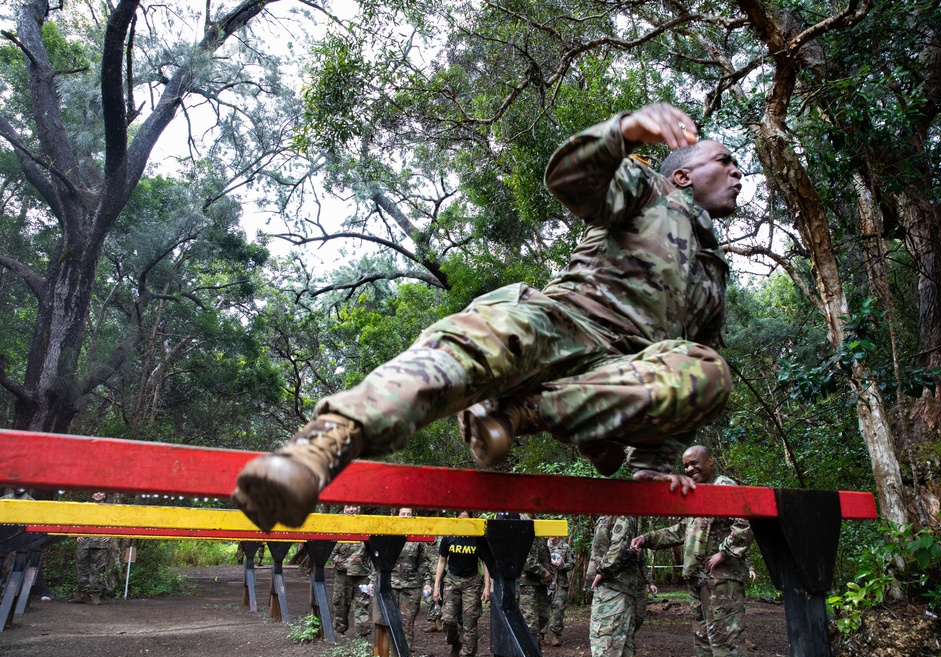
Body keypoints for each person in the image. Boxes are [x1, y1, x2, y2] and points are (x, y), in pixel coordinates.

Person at [232, 102, 741, 533]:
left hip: (614, 377)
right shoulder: (649, 189)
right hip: (564, 321)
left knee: (712, 372)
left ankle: (516, 415)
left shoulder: (715, 273)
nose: (738, 173)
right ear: (682, 174)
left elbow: (688, 374)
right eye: (725, 160)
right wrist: (624, 130)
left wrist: (653, 466)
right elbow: (569, 179)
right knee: (485, 339)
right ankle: (317, 450)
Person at [630, 445, 754, 657]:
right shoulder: (698, 492)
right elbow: (681, 530)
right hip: (698, 581)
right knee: (704, 642)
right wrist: (646, 538)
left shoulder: (723, 486)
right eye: (686, 465)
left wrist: (723, 553)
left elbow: (744, 524)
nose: (689, 469)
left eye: (695, 463)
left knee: (727, 643)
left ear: (710, 462)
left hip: (721, 582)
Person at [433, 511, 491, 657]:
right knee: (447, 619)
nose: (463, 523)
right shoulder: (449, 536)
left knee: (469, 621)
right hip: (452, 580)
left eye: (466, 520)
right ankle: (455, 644)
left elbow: (485, 562)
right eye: (460, 520)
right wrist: (436, 586)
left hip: (472, 582)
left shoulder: (478, 538)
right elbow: (442, 562)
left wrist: (487, 585)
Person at [588, 514, 646, 657]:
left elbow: (619, 546)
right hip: (615, 590)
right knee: (621, 655)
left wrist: (603, 571)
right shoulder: (611, 513)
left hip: (613, 591)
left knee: (605, 652)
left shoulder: (621, 513)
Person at [390, 507, 435, 646]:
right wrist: (374, 580)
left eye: (408, 514)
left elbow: (423, 562)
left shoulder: (417, 537)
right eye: (402, 513)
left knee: (407, 620)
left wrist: (427, 581)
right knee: (390, 618)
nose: (405, 516)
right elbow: (379, 561)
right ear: (397, 515)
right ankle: (391, 650)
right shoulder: (389, 534)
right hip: (391, 583)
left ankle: (405, 650)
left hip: (412, 585)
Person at [331, 505, 373, 640]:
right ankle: (340, 633)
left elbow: (372, 551)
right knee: (340, 603)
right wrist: (347, 564)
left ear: (359, 508)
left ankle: (363, 636)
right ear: (343, 509)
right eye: (348, 507)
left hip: (363, 574)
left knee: (362, 604)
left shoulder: (366, 525)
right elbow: (331, 552)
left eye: (354, 506)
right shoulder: (336, 526)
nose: (351, 509)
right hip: (342, 574)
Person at [69, 492, 120, 604]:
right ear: (92, 495)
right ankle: (82, 594)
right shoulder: (86, 507)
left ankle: (96, 595)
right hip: (84, 541)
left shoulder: (109, 508)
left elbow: (115, 522)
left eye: (100, 492)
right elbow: (77, 520)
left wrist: (110, 534)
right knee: (81, 568)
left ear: (104, 495)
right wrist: (78, 533)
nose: (98, 494)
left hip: (100, 542)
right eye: (95, 492)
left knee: (97, 569)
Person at [517, 513, 553, 648]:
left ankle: (534, 651)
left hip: (542, 582)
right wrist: (543, 572)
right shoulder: (521, 522)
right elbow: (525, 558)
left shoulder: (539, 523)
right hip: (527, 582)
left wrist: (550, 575)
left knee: (543, 618)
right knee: (530, 623)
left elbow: (545, 553)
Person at [544, 534, 576, 646]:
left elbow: (572, 564)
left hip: (561, 583)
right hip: (544, 582)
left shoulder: (565, 547)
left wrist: (561, 565)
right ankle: (541, 634)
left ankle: (555, 635)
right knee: (542, 608)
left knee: (558, 608)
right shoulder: (543, 545)